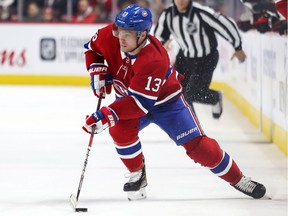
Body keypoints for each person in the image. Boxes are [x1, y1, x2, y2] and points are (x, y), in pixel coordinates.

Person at [82, 4, 266, 200]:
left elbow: (139, 104)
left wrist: (105, 114)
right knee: (119, 128)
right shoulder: (109, 35)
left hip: (167, 104)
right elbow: (92, 49)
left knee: (200, 148)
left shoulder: (154, 58)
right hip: (131, 98)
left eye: (127, 34)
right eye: (119, 30)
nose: (120, 37)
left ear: (142, 35)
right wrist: (96, 69)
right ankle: (138, 174)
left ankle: (238, 179)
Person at [154, 0, 247, 119]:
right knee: (177, 92)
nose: (181, 1)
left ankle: (215, 97)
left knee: (192, 93)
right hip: (184, 56)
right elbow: (159, 35)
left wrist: (237, 47)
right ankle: (191, 126)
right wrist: (162, 44)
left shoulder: (202, 13)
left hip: (206, 58)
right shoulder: (168, 15)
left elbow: (225, 24)